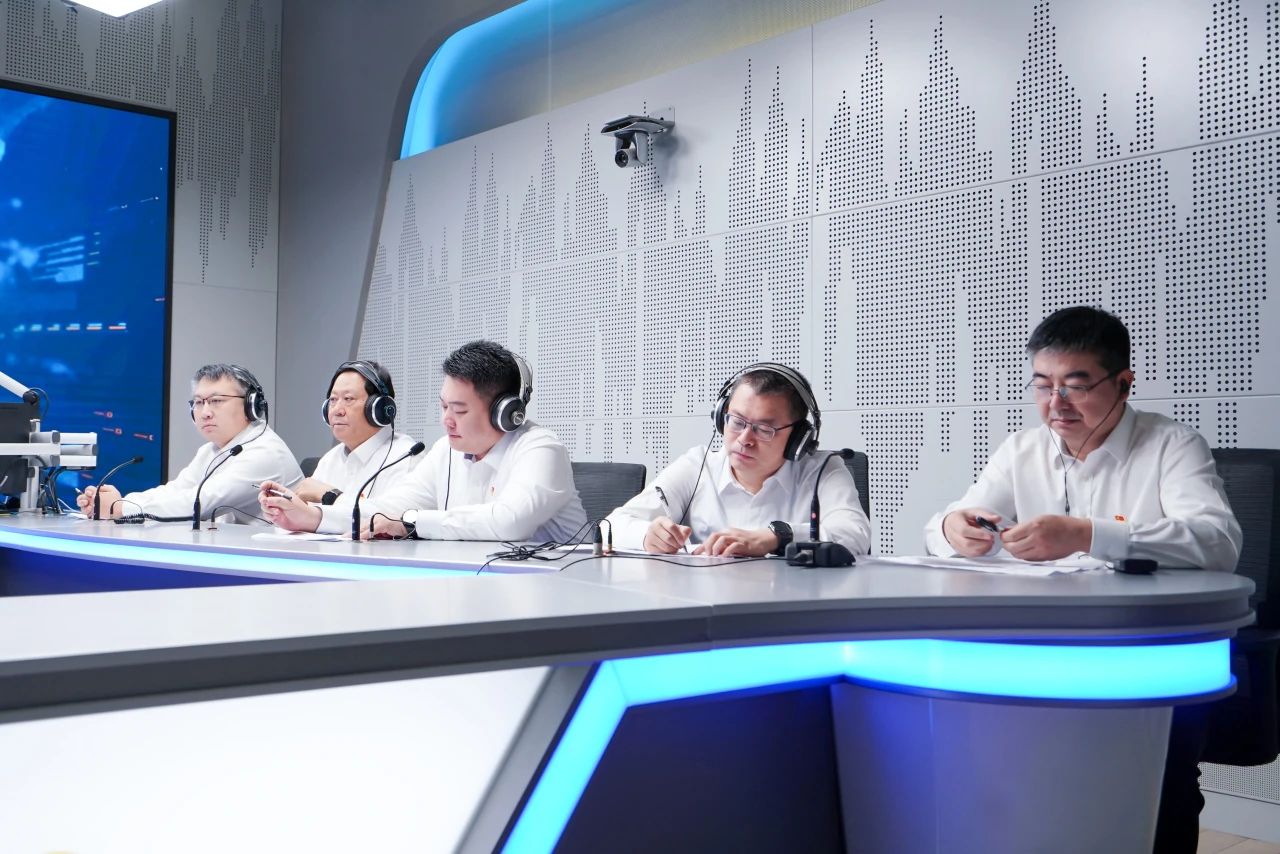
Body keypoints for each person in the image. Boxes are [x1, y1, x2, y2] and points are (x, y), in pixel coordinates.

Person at [923, 305, 1242, 853]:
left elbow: (1218, 542)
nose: (1056, 404)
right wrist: (955, 528)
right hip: (1040, 647)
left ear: (1123, 383)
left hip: (1143, 650)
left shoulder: (1171, 445)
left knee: (1159, 785)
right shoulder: (1022, 449)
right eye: (1042, 385)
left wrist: (1088, 535)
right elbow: (945, 524)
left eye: (1075, 385)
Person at [607, 363, 871, 557]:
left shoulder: (823, 470)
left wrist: (775, 537)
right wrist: (648, 535)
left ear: (798, 438)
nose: (745, 439)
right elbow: (613, 524)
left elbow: (855, 534)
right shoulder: (697, 466)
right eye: (736, 421)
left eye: (764, 429)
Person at [362, 340, 586, 542]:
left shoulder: (541, 449)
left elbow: (509, 522)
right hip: (478, 571)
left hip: (559, 573)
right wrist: (340, 513)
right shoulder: (445, 450)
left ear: (504, 412)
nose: (446, 421)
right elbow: (389, 507)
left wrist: (413, 522)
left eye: (459, 411)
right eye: (444, 406)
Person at [77, 364, 302, 523]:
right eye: (198, 402)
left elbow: (198, 503)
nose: (205, 412)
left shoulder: (265, 452)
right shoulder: (212, 449)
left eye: (216, 401)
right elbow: (176, 491)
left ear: (251, 406)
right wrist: (116, 502)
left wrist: (119, 508)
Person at [258, 360, 419, 534]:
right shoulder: (330, 459)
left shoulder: (406, 457)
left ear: (379, 408)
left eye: (348, 399)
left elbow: (394, 519)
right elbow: (311, 516)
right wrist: (287, 511)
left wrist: (331, 495)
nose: (337, 410)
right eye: (333, 400)